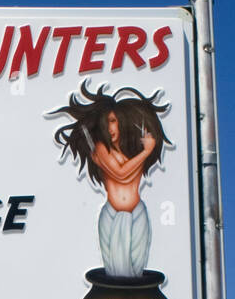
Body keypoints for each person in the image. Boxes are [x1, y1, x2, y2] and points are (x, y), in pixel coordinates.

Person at [52, 82, 171, 278]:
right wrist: (147, 151)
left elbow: (127, 172)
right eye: (106, 122)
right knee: (118, 276)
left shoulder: (132, 150)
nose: (110, 127)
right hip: (114, 216)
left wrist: (145, 150)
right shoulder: (101, 149)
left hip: (138, 213)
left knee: (136, 275)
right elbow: (121, 174)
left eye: (114, 120)